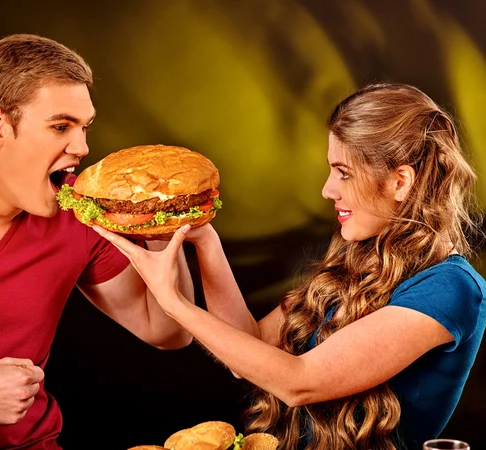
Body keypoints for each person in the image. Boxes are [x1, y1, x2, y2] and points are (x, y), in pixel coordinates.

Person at [93, 83, 486, 450]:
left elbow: (300, 382)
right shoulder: (358, 259)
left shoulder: (451, 288)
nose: (328, 189)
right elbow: (248, 350)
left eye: (343, 172)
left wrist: (173, 301)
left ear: (400, 182)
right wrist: (204, 239)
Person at [0, 34, 195, 448]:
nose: (82, 147)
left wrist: (157, 220)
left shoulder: (79, 213)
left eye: (85, 127)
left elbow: (169, 331)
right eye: (61, 127)